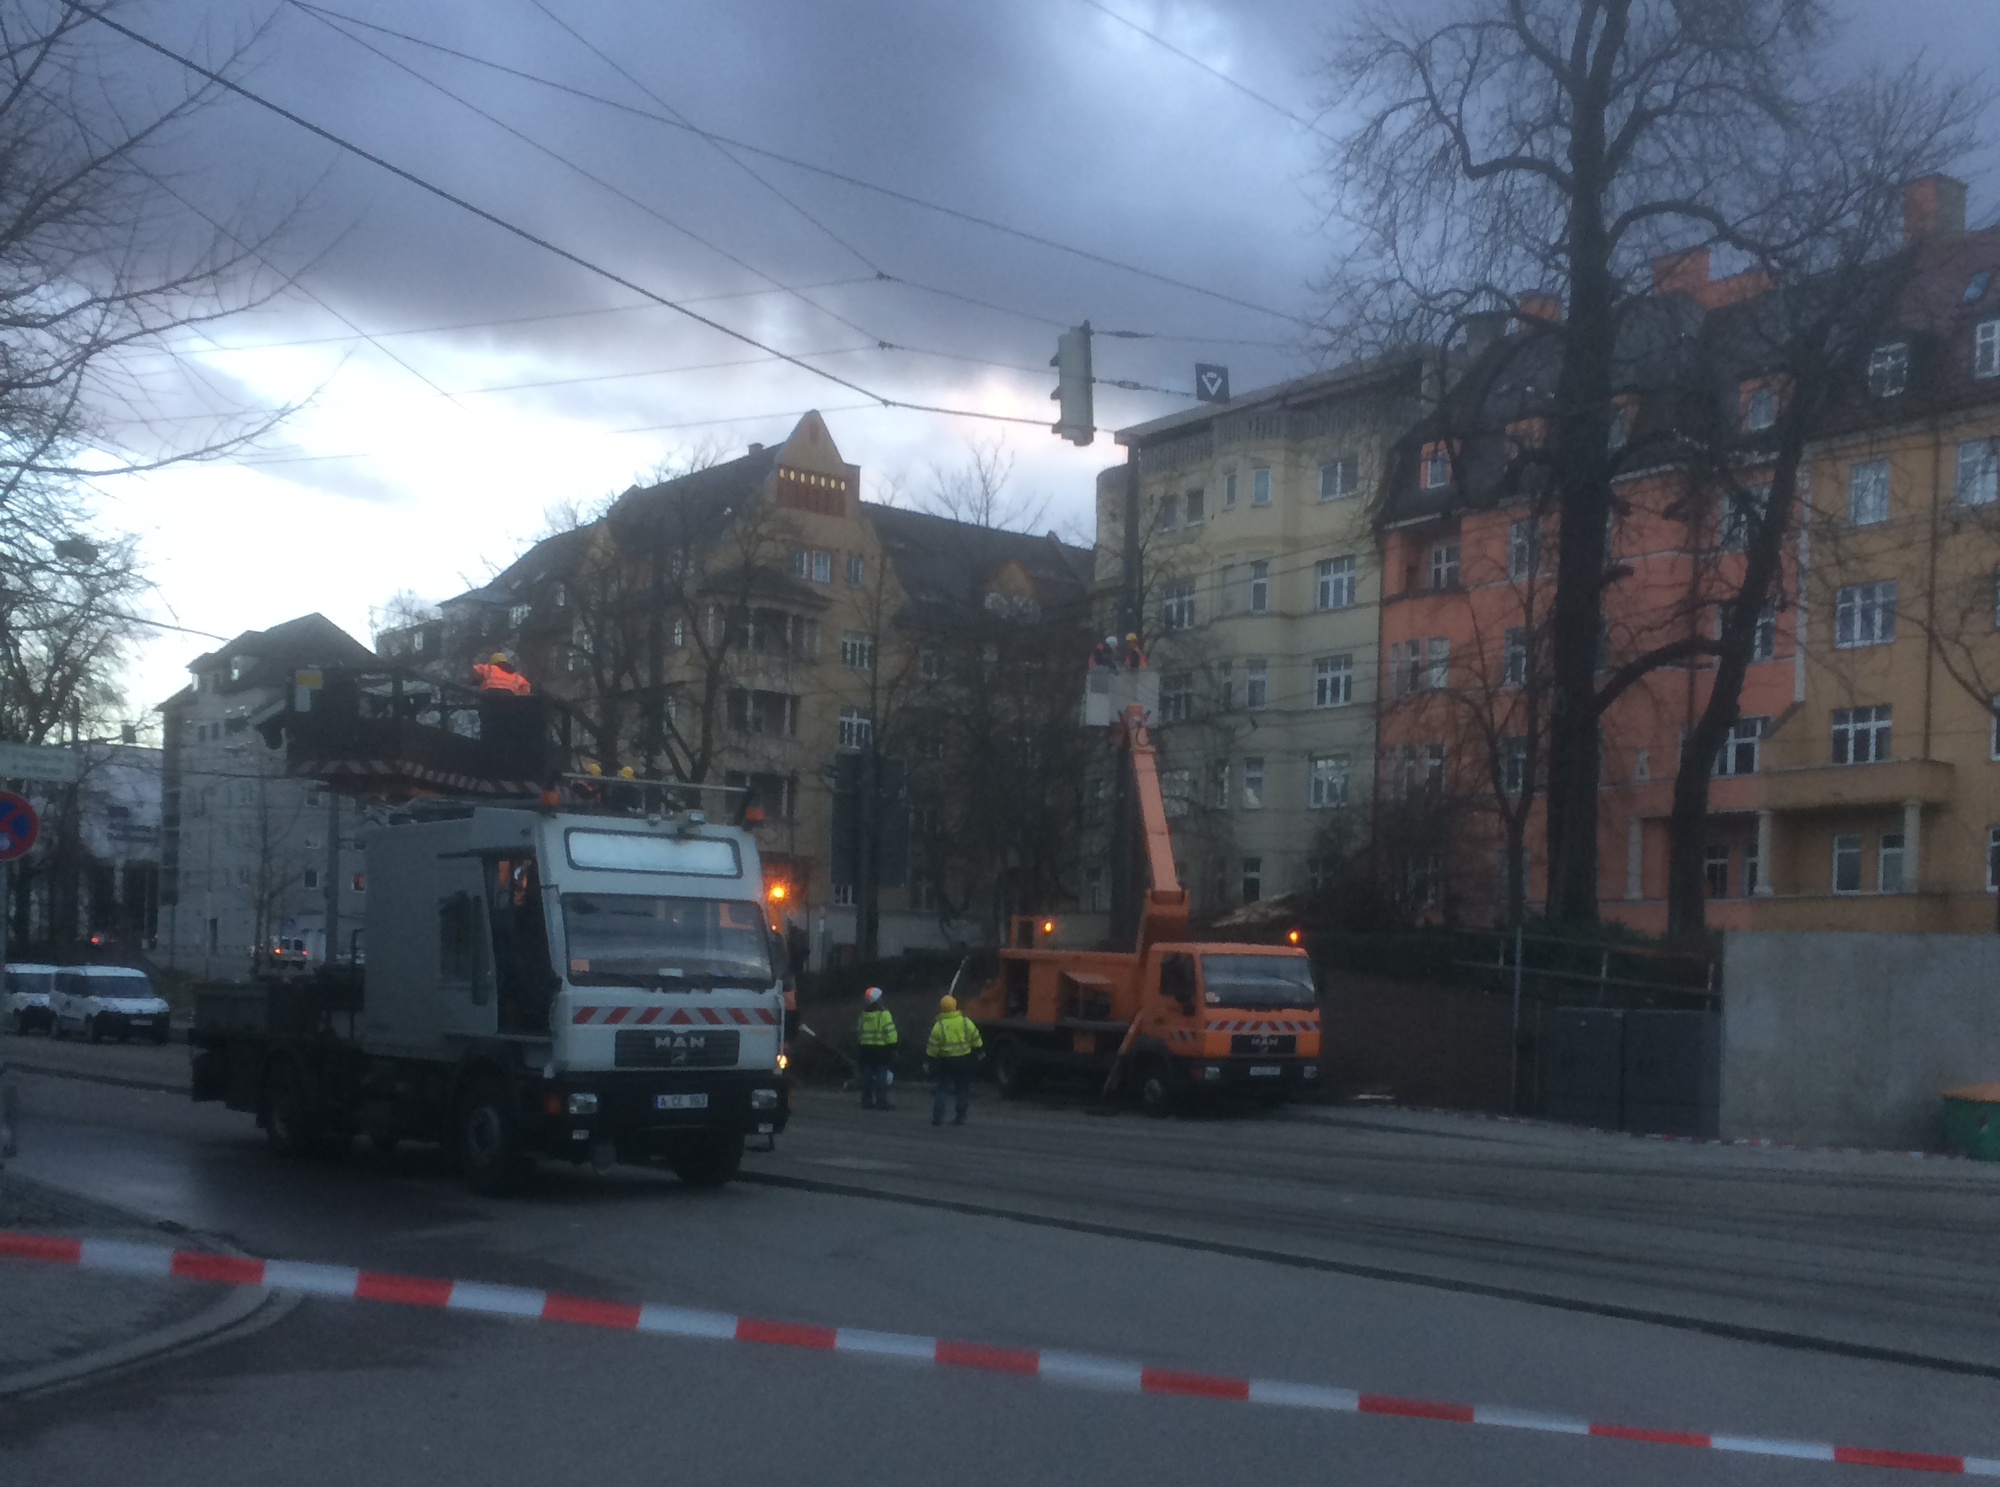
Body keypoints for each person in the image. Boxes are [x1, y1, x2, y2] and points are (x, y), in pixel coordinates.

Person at [924, 994, 983, 1127]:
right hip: (964, 1060)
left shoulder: (939, 1026)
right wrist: (979, 1051)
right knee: (962, 1089)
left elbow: (933, 1046)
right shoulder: (965, 1021)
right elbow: (976, 1038)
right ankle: (960, 1117)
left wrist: (929, 1060)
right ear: (955, 1006)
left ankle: (938, 1118)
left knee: (942, 1089)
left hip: (946, 1061)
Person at [856, 987, 897, 1110]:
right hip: (881, 1050)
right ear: (877, 1000)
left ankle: (866, 1100)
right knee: (881, 1076)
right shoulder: (884, 1014)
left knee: (867, 1076)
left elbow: (859, 1032)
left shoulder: (863, 1015)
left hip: (866, 1050)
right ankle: (881, 1101)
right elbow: (891, 1033)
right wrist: (893, 1047)